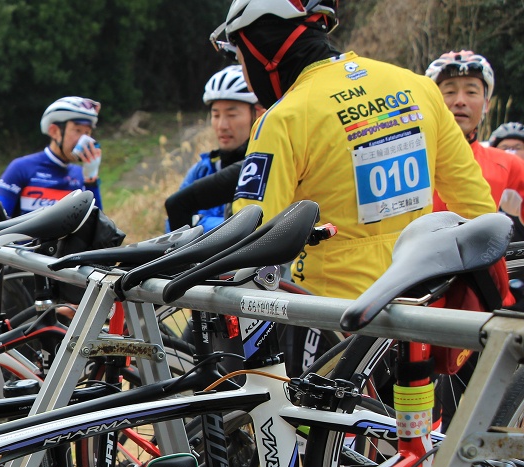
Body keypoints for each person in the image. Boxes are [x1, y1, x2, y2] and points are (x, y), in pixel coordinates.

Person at [212, 0, 497, 300]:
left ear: (262, 52)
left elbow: (250, 240)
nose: (246, 74)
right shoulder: (418, 87)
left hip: (332, 318)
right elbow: (477, 208)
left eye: (242, 60)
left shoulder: (284, 118)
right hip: (421, 303)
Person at [425, 52, 524, 238]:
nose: (460, 101)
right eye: (449, 92)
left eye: (471, 92)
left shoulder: (507, 164)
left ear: (486, 104)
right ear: (432, 102)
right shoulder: (411, 159)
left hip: (485, 264)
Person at [165, 65, 263, 232]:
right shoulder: (202, 170)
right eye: (216, 115)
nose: (222, 125)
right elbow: (171, 228)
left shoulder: (264, 168)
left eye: (232, 115)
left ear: (258, 114)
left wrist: (199, 223)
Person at [0, 97, 104, 218]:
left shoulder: (81, 176)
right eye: (77, 130)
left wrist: (91, 180)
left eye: (87, 133)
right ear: (54, 131)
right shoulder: (20, 168)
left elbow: (96, 229)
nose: (84, 140)